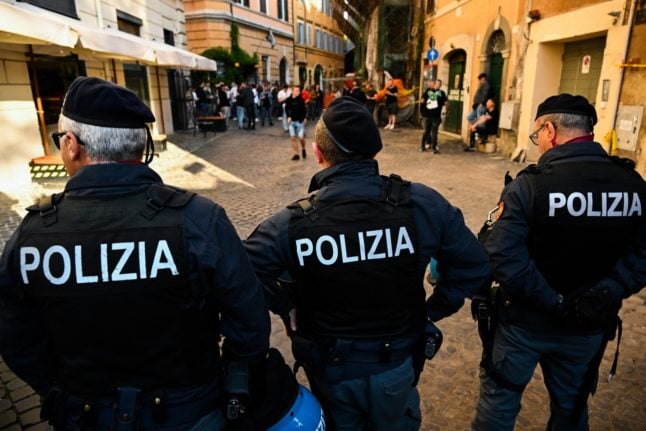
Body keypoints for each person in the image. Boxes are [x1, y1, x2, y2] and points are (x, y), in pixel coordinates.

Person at [0, 76, 270, 430]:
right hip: (190, 410)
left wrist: (59, 386)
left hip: (85, 413)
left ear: (71, 144)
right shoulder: (198, 219)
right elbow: (250, 324)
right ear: (141, 147)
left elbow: (15, 338)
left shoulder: (32, 235)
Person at [244, 96, 491, 431]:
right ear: (375, 153)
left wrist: (285, 306)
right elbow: (475, 266)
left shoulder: (291, 223)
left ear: (318, 155)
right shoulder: (421, 204)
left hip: (331, 369)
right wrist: (433, 309)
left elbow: (238, 277)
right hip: (397, 366)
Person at [472, 94, 646, 431]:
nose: (538, 144)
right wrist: (604, 292)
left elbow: (503, 255)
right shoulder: (633, 186)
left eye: (537, 136)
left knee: (499, 405)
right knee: (571, 410)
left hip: (524, 324)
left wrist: (555, 302)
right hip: (588, 324)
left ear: (549, 130)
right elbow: (642, 255)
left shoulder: (530, 186)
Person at [420, 79, 448, 153]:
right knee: (428, 131)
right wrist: (422, 112)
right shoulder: (429, 91)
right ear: (434, 84)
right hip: (428, 115)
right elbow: (422, 101)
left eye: (439, 84)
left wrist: (447, 110)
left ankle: (432, 147)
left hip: (435, 115)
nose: (437, 85)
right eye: (437, 83)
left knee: (433, 131)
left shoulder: (441, 93)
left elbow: (445, 103)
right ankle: (425, 146)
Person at [285, 86, 308, 161]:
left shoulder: (301, 100)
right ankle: (296, 154)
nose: (298, 92)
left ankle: (303, 148)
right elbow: (286, 109)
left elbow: (304, 110)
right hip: (291, 122)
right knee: (293, 138)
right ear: (293, 91)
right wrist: (288, 116)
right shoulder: (288, 100)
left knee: (301, 137)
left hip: (300, 121)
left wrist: (305, 118)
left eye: (299, 90)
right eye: (297, 91)